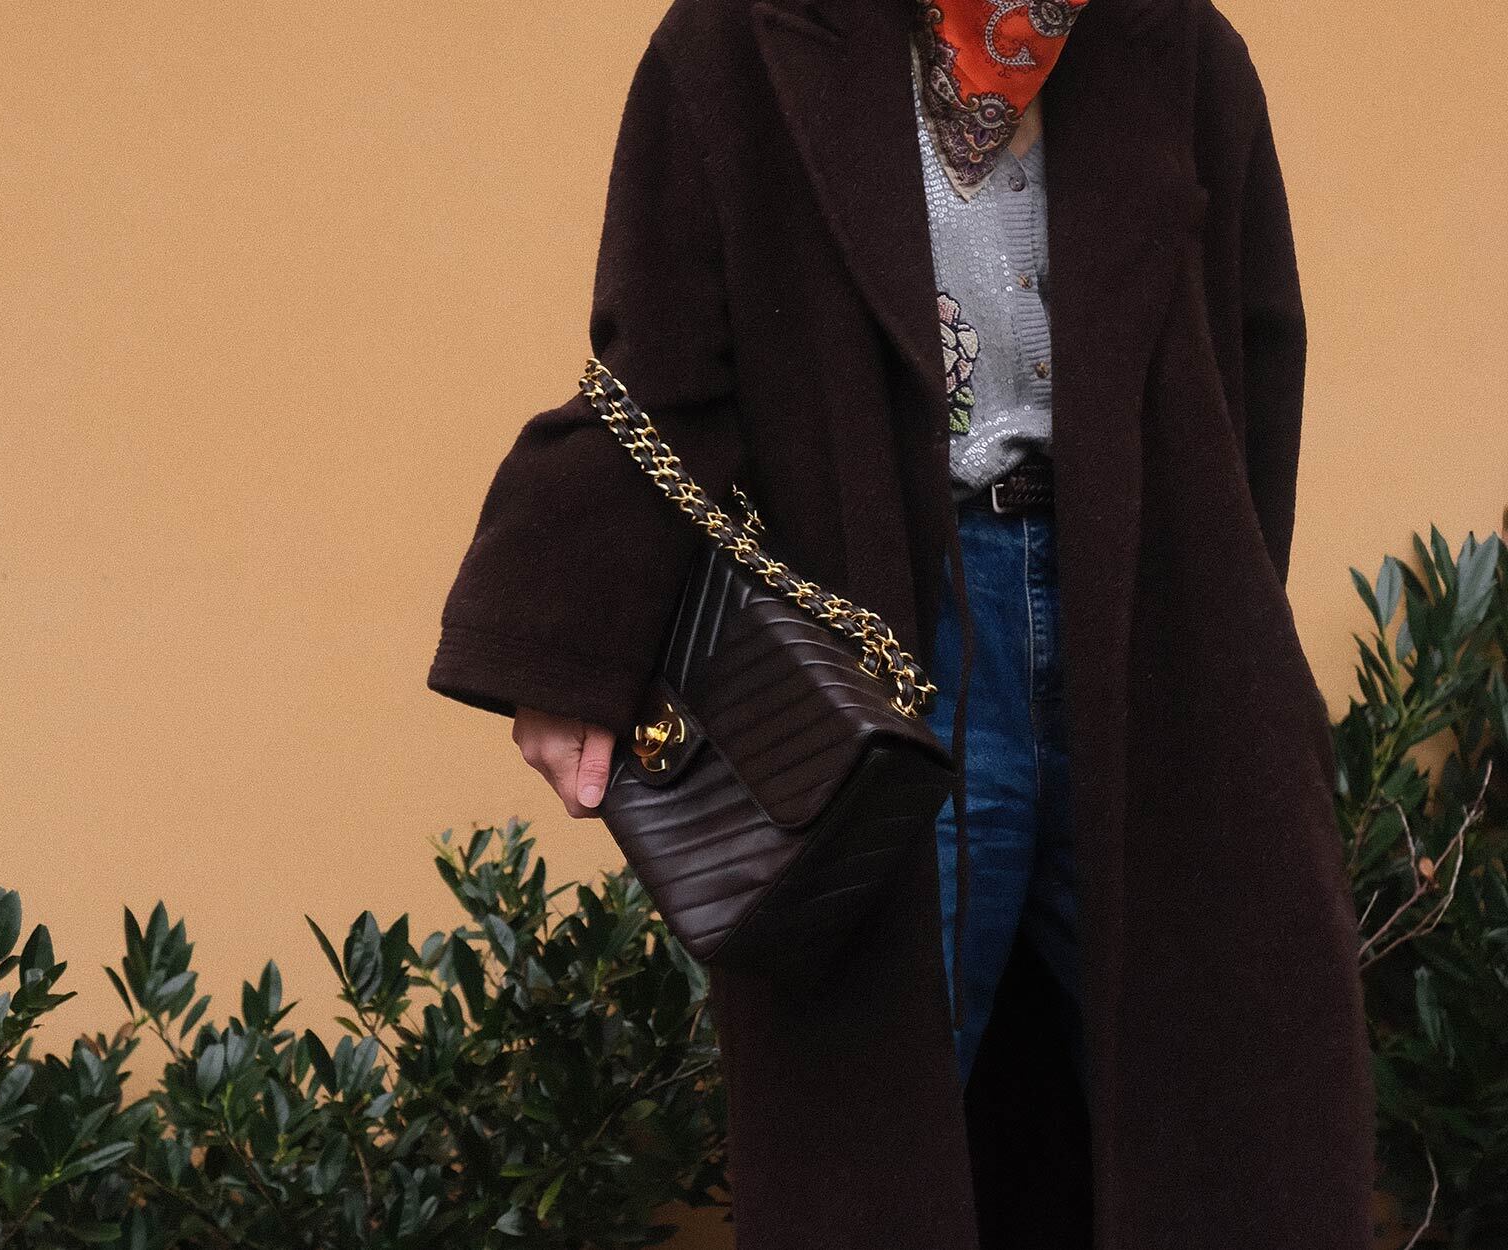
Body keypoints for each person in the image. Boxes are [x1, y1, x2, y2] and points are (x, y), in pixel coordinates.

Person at [427, 1, 1374, 1246]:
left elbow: (1256, 364)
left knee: (1218, 1087)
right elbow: (655, 374)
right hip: (897, 632)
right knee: (881, 1118)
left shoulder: (1177, 48)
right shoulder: (738, 45)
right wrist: (565, 642)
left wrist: (1217, 629)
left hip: (1141, 627)